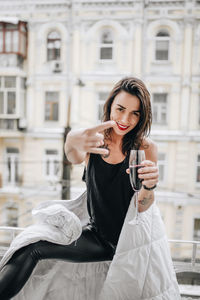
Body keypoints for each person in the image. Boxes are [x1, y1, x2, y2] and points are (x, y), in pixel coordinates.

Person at [0, 77, 158, 299]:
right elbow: (73, 155)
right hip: (97, 237)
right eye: (120, 109)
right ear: (110, 106)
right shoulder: (93, 140)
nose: (125, 119)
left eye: (135, 113)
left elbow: (142, 207)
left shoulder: (145, 148)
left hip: (129, 242)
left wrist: (150, 187)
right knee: (30, 247)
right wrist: (72, 140)